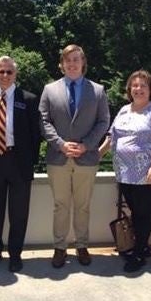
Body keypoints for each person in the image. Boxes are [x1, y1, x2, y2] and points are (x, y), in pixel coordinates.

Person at [39, 44, 110, 268]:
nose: (72, 64)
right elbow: (43, 121)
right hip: (58, 157)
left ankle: (81, 245)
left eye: (76, 60)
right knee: (61, 205)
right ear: (61, 64)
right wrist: (60, 144)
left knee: (83, 205)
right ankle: (60, 248)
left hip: (86, 158)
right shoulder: (49, 90)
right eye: (68, 60)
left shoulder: (97, 90)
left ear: (83, 63)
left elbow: (103, 121)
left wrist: (87, 145)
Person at [99, 70, 151, 272]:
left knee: (144, 214)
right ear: (129, 89)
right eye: (135, 85)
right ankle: (143, 246)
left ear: (150, 89)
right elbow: (111, 137)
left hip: (147, 173)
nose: (138, 89)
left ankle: (139, 253)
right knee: (134, 212)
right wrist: (98, 154)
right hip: (124, 173)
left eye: (143, 86)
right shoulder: (124, 110)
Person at [0, 56, 41, 272]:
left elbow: (36, 134)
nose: (5, 75)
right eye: (1, 71)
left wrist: (29, 160)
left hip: (18, 161)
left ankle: (15, 254)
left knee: (19, 212)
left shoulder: (29, 99)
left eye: (9, 72)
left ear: (16, 74)